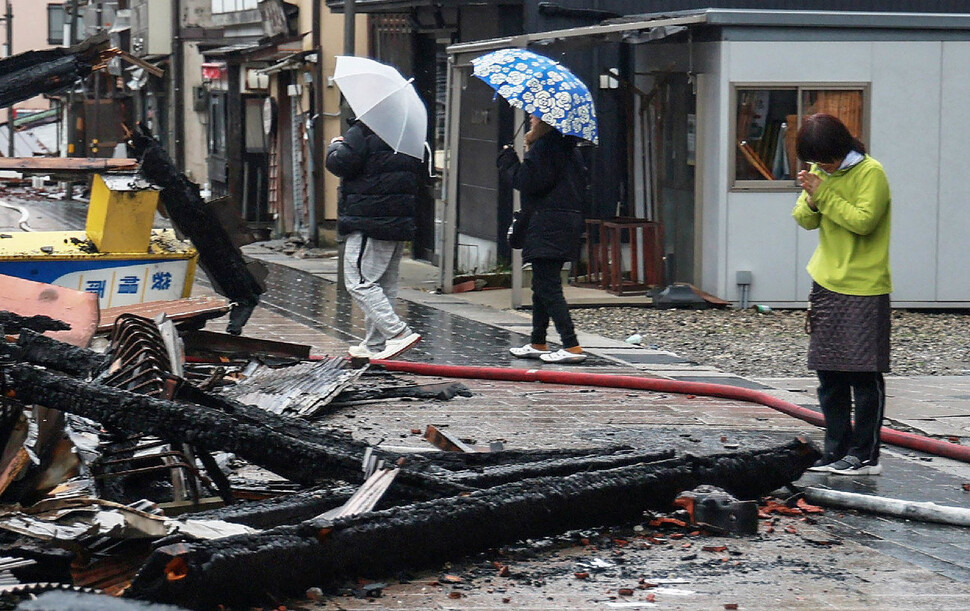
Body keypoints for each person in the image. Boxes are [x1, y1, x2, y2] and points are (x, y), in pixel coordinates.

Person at [792, 113, 892, 476]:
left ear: (842, 148)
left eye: (826, 160)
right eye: (815, 161)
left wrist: (825, 193)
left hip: (864, 285)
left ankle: (865, 455)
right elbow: (804, 219)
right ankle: (836, 449)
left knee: (864, 375)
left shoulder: (871, 173)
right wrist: (812, 197)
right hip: (826, 281)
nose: (821, 166)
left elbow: (863, 222)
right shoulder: (824, 174)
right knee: (829, 376)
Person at [325, 119, 423, 360]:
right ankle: (374, 344)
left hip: (370, 217)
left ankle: (397, 333)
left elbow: (341, 163)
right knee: (384, 283)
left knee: (358, 281)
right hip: (398, 216)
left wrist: (335, 146)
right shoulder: (406, 130)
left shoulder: (364, 129)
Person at [497, 114, 588, 364]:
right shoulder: (567, 148)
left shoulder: (547, 146)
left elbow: (528, 182)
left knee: (548, 286)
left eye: (535, 114)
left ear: (547, 120)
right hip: (562, 221)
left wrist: (508, 161)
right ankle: (538, 341)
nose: (530, 116)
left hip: (548, 222)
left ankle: (571, 345)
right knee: (541, 285)